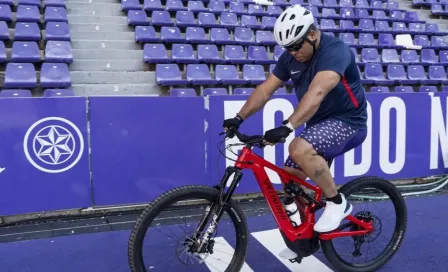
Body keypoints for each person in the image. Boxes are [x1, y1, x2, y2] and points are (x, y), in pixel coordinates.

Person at [222, 4, 368, 260]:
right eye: (287, 48)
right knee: (289, 178)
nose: (292, 52)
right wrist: (238, 117)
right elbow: (266, 89)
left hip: (348, 122)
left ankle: (337, 203)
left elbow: (318, 91)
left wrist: (287, 126)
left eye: (296, 46)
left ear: (312, 34)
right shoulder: (291, 57)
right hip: (318, 126)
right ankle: (305, 239)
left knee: (298, 147)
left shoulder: (336, 51)